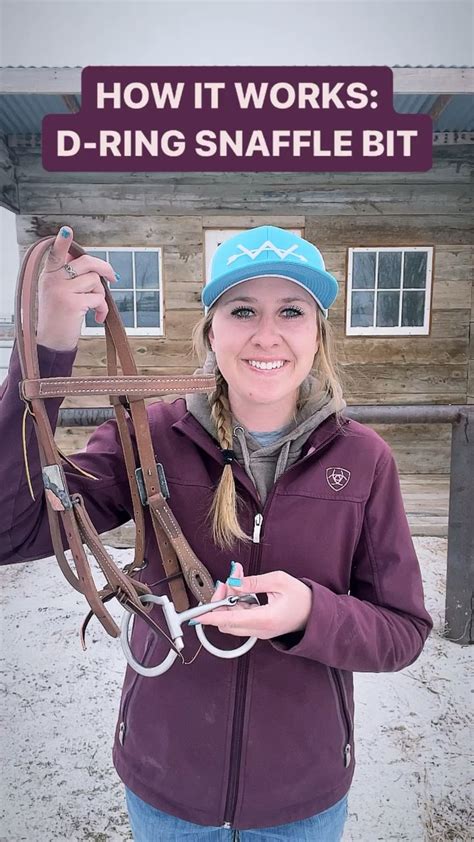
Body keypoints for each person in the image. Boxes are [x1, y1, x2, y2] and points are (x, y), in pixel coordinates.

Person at [0, 224, 433, 841]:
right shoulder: (148, 439)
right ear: (211, 330)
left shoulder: (363, 460)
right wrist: (49, 344)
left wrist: (310, 612)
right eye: (241, 310)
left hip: (300, 800)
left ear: (318, 333)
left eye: (291, 310)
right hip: (167, 786)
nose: (266, 333)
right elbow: (10, 529)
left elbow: (404, 631)